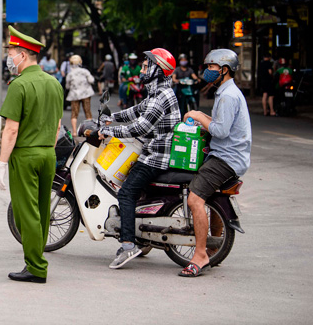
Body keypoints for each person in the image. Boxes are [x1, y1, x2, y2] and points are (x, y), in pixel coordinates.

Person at [97, 48, 180, 269]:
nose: (142, 69)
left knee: (125, 192)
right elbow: (135, 111)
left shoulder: (161, 97)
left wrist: (111, 131)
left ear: (157, 70)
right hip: (154, 152)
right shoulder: (157, 93)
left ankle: (127, 245)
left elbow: (140, 126)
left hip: (156, 157)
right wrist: (110, 117)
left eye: (146, 66)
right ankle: (140, 237)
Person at [0, 26, 63, 283]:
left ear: (22, 55)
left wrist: (2, 163)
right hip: (48, 153)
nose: (9, 58)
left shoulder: (19, 85)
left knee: (27, 212)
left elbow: (11, 130)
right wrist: (47, 148)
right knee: (42, 210)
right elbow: (57, 125)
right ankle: (36, 260)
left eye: (11, 53)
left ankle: (35, 266)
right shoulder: (54, 83)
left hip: (25, 155)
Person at [182, 49, 251, 277]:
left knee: (195, 199)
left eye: (211, 68)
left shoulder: (229, 96)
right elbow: (222, 124)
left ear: (224, 70)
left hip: (226, 158)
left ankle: (200, 255)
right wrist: (201, 116)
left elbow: (220, 131)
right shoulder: (225, 92)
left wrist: (198, 116)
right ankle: (214, 247)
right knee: (209, 197)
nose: (207, 71)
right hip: (228, 155)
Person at [65, 54, 96, 132]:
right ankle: (90, 130)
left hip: (74, 95)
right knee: (88, 112)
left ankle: (74, 132)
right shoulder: (85, 71)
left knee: (74, 113)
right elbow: (92, 80)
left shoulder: (70, 74)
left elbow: (67, 87)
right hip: (86, 94)